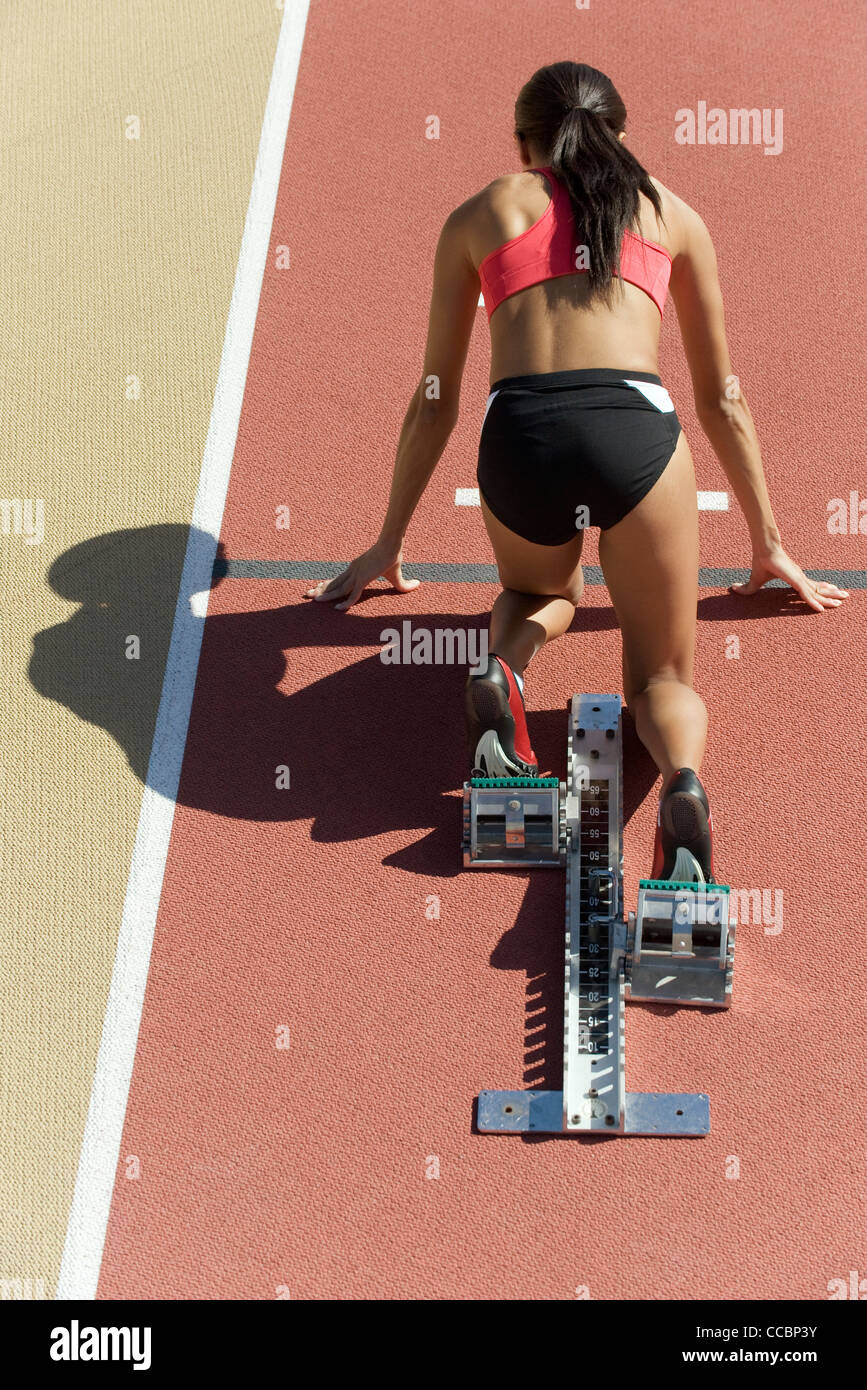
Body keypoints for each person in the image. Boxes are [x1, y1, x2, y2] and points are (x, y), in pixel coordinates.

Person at [306, 61, 848, 884]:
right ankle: (683, 788)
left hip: (519, 432)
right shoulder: (673, 215)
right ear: (620, 135)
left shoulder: (482, 212)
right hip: (636, 431)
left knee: (543, 595)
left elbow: (432, 400)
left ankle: (505, 670)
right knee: (661, 675)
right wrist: (766, 539)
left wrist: (388, 540)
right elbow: (723, 399)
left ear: (522, 144)